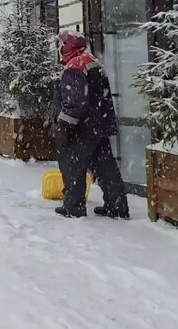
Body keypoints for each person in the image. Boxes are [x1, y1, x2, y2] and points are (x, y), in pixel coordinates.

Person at [53, 30, 129, 219]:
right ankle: (117, 205)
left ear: (68, 47)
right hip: (100, 126)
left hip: (82, 129)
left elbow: (75, 103)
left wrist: (63, 125)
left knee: (72, 166)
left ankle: (73, 207)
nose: (58, 48)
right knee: (105, 167)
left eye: (60, 44)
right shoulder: (92, 62)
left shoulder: (74, 67)